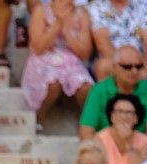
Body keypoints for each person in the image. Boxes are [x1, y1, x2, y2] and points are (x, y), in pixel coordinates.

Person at [24, 0, 95, 129]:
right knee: (53, 84)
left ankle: (87, 126)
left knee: (85, 87)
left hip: (71, 59)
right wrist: (58, 23)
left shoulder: (82, 14)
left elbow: (85, 53)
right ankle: (37, 120)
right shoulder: (41, 11)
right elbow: (38, 47)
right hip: (43, 58)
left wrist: (67, 31)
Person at [79, 45, 147, 140]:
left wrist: (138, 152)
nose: (134, 71)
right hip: (105, 145)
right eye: (127, 67)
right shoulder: (98, 90)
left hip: (140, 146)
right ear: (114, 68)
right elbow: (86, 132)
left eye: (139, 66)